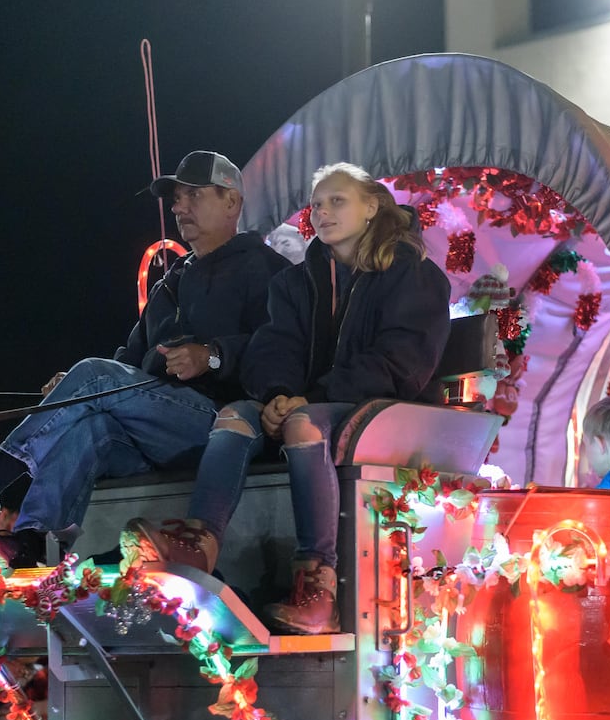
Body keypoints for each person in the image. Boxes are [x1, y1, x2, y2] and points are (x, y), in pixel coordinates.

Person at [0, 150, 289, 566]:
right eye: (175, 199)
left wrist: (215, 356)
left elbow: (281, 351)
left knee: (94, 376)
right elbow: (129, 360)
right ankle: (35, 539)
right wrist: (76, 385)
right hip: (157, 426)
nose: (179, 207)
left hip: (224, 425)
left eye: (193, 195)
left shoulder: (266, 268)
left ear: (232, 201)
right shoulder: (173, 280)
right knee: (89, 420)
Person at [129, 162, 451, 633]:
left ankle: (318, 583)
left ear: (371, 207)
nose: (323, 212)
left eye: (337, 201)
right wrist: (279, 393)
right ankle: (201, 544)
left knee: (303, 425)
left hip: (385, 409)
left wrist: (309, 399)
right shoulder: (297, 281)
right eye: (317, 204)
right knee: (238, 414)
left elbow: (400, 363)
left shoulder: (412, 274)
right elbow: (273, 347)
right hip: (312, 401)